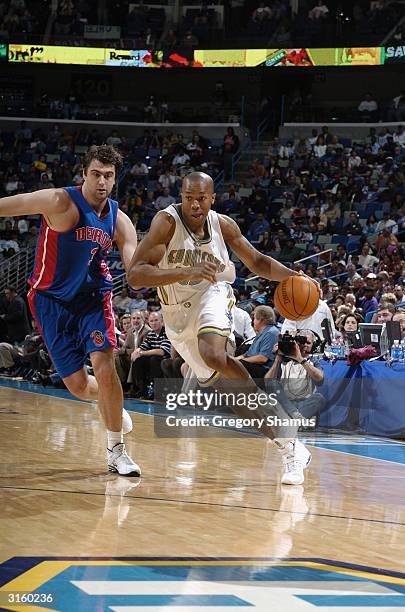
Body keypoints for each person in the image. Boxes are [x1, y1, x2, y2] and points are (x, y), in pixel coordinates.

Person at [128, 171, 318, 485]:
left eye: (201, 198)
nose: (194, 205)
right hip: (177, 316)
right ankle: (291, 446)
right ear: (182, 196)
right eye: (188, 198)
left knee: (213, 354)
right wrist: (185, 270)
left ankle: (272, 418)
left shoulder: (222, 224)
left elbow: (257, 261)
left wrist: (293, 278)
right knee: (235, 399)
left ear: (212, 198)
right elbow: (135, 275)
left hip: (212, 295)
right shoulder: (167, 223)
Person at [0, 144, 141, 477]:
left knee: (105, 366)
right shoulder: (60, 202)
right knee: (78, 387)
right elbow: (13, 205)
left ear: (115, 178)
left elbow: (134, 268)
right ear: (84, 174)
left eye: (108, 175)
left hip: (94, 296)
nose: (102, 182)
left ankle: (116, 449)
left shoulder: (120, 220)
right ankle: (112, 408)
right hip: (49, 300)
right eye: (96, 174)